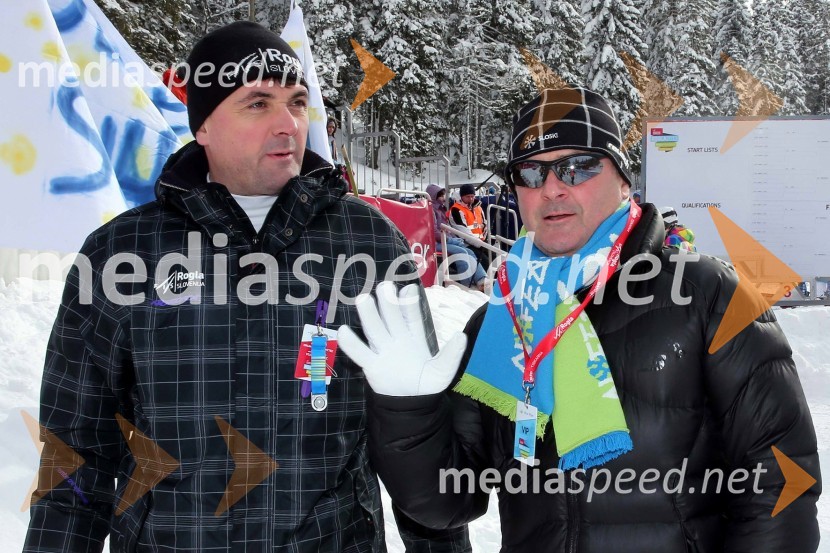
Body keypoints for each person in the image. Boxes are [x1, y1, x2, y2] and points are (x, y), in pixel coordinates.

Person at [24, 21, 469, 553]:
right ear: (204, 126)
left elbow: (415, 444)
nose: (288, 124)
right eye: (258, 103)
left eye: (298, 101)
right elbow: (74, 455)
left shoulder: (368, 244)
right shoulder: (123, 253)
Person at [339, 88, 820, 551]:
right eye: (530, 173)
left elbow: (780, 485)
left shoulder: (707, 294)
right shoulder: (499, 324)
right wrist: (407, 410)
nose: (551, 188)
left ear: (623, 179)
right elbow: (446, 502)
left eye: (579, 166)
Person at [426, 184, 486, 290]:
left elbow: (448, 228)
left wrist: (454, 238)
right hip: (437, 243)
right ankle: (466, 285)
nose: (443, 198)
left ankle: (481, 280)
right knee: (462, 252)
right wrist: (451, 239)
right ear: (433, 196)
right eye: (440, 195)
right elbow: (435, 232)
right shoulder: (431, 210)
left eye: (443, 195)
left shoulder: (441, 210)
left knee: (470, 252)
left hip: (446, 240)